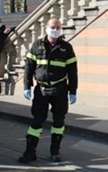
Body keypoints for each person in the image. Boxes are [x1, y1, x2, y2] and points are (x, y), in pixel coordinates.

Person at [19, 17, 77, 164]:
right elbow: (28, 67)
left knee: (58, 122)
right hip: (42, 89)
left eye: (58, 27)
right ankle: (29, 152)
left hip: (60, 89)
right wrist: (27, 86)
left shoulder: (66, 47)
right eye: (52, 27)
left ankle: (55, 152)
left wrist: (73, 91)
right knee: (37, 120)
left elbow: (72, 71)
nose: (55, 30)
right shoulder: (37, 45)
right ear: (46, 28)